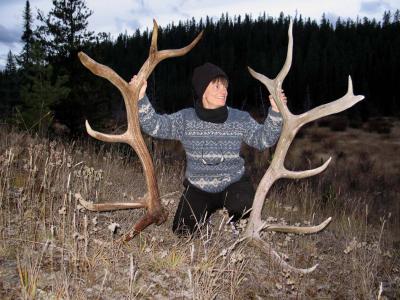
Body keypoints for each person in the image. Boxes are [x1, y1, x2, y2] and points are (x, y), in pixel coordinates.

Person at [130, 62, 286, 236]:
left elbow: (263, 140)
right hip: (199, 187)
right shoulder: (186, 119)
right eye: (217, 86)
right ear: (202, 90)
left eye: (225, 87)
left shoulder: (238, 118)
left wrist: (275, 111)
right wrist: (141, 97)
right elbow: (154, 126)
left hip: (233, 184)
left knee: (245, 215)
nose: (224, 91)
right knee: (183, 231)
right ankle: (209, 216)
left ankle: (234, 222)